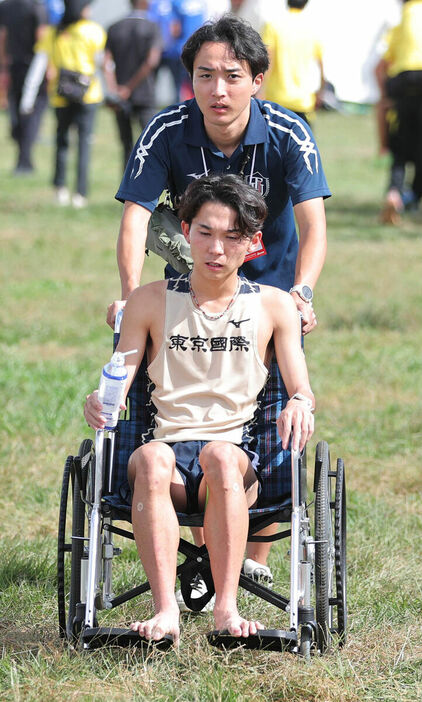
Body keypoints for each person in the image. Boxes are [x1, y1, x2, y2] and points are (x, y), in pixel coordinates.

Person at [107, 13, 330, 606]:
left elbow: (313, 224)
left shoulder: (289, 132)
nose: (218, 89)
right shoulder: (166, 130)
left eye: (232, 75)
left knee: (259, 408)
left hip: (269, 288)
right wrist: (131, 294)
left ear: (257, 78)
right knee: (188, 399)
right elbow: (134, 217)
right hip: (187, 282)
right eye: (205, 76)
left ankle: (247, 558)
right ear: (190, 82)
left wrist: (302, 293)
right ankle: (196, 548)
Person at [85, 174, 315, 645]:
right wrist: (102, 399)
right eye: (205, 233)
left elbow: (300, 387)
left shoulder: (273, 306)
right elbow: (121, 372)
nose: (216, 248)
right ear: (185, 231)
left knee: (221, 456)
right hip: (163, 460)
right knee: (152, 457)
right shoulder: (149, 300)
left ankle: (225, 609)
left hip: (234, 462)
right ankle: (165, 610)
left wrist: (300, 403)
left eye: (232, 237)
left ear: (253, 242)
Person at [22, 0, 106, 207]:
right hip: (88, 95)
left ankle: (60, 189)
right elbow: (101, 65)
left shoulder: (53, 32)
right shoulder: (93, 31)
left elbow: (39, 65)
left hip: (61, 95)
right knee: (84, 144)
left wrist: (28, 96)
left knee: (61, 143)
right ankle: (81, 193)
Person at [375, 0, 422, 224]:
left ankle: (394, 192)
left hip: (403, 83)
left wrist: (385, 96)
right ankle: (414, 198)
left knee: (401, 148)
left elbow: (382, 64)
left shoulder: (402, 16)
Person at [104, 0, 162, 173]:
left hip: (120, 97)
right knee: (151, 144)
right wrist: (129, 87)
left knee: (126, 145)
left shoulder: (114, 27)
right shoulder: (153, 28)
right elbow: (152, 61)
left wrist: (115, 88)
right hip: (145, 93)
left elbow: (106, 61)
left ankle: (126, 191)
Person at [0, 0, 48, 175]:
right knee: (33, 111)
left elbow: (3, 37)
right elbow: (41, 38)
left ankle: (22, 157)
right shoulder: (37, 8)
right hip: (34, 68)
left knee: (16, 111)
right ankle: (25, 159)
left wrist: (4, 67)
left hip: (13, 66)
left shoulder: (5, 6)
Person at [261, 0, 324, 125]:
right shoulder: (312, 27)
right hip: (303, 101)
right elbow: (320, 64)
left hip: (276, 100)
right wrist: (321, 91)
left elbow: (268, 61)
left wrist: (260, 89)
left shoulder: (273, 25)